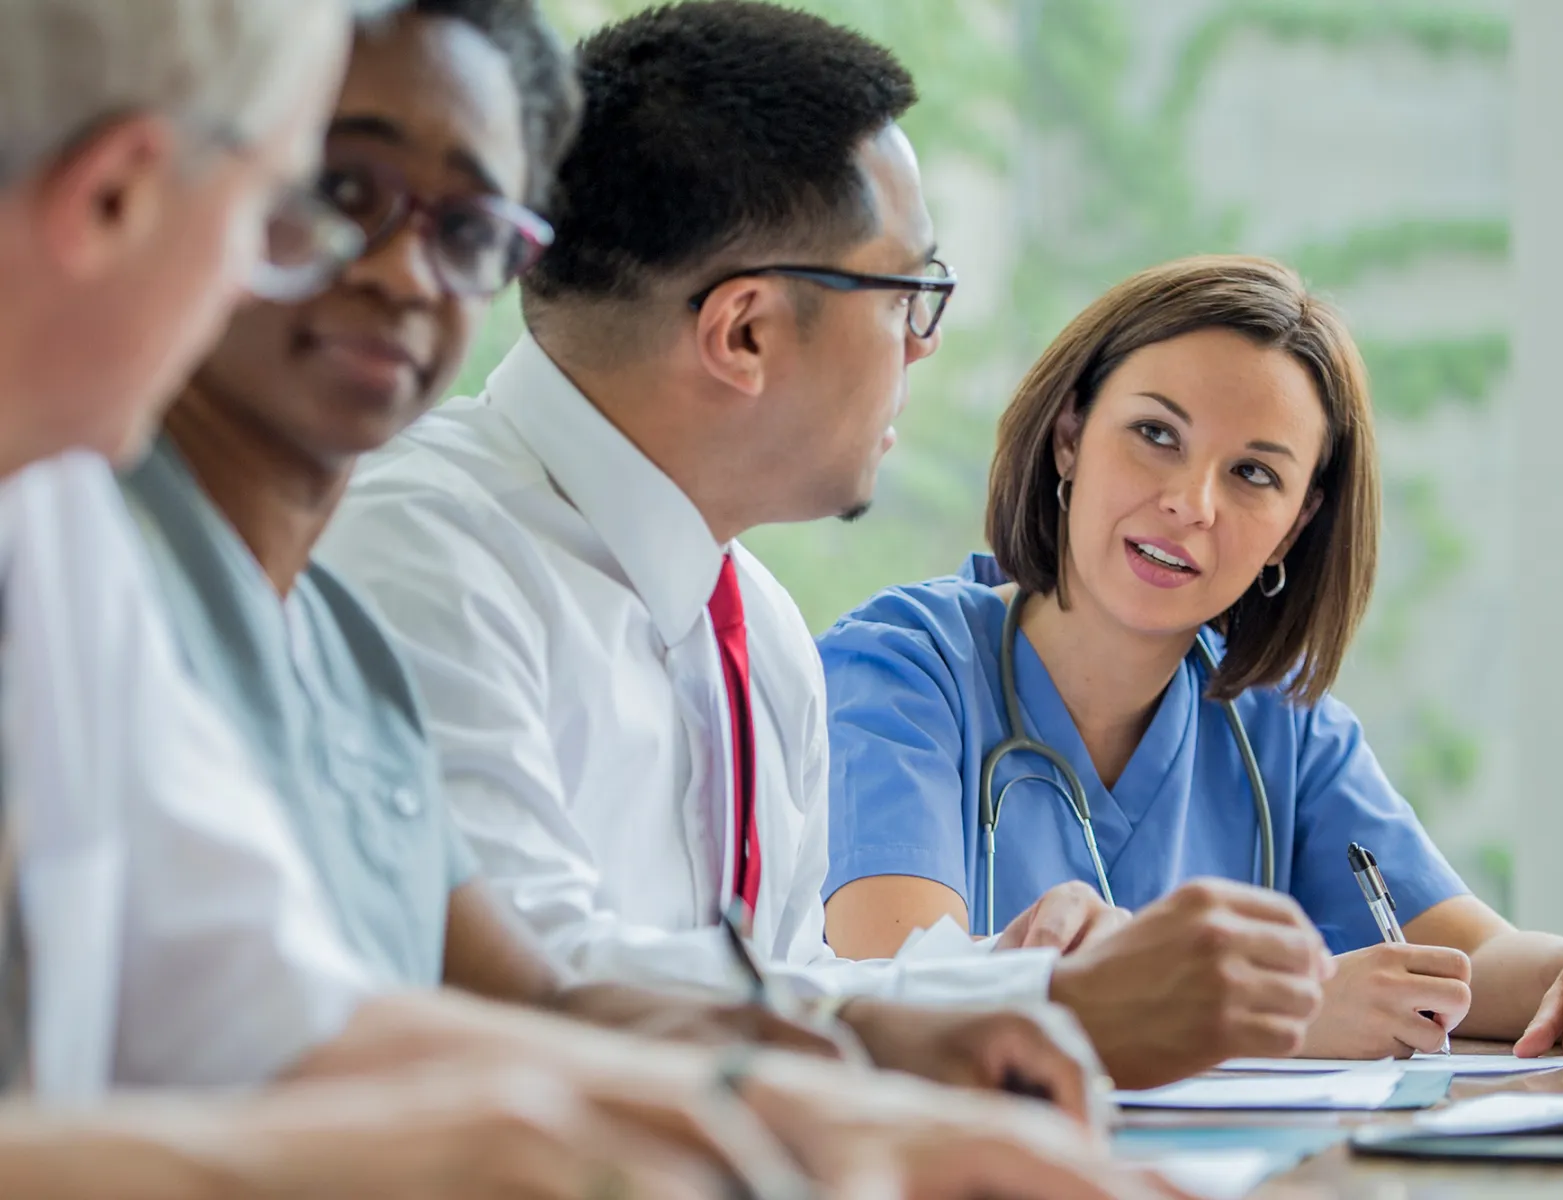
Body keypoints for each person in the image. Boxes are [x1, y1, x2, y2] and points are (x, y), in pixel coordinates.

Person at [0, 2, 1186, 1197]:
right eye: (326, 193)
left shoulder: (154, 568)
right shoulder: (395, 549)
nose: (398, 273)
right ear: (124, 194)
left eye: (467, 229)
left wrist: (817, 1087)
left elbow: (311, 1012)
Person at [320, 0, 1331, 1091]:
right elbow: (529, 989)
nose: (922, 348)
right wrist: (1051, 1006)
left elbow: (781, 987)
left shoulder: (751, 622)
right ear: (745, 332)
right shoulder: (417, 558)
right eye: (909, 296)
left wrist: (1010, 973)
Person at [819, 253, 1563, 1065]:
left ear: (1294, 528)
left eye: (1253, 473)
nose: (1190, 505)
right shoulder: (902, 671)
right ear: (1069, 438)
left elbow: (1465, 964)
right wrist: (1275, 1016)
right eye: (1156, 434)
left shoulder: (1281, 726)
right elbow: (891, 991)